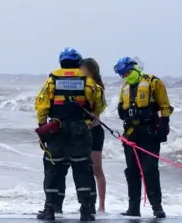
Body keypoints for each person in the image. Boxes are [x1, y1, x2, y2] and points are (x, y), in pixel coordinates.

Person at [34, 48, 103, 222]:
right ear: (78, 62)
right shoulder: (87, 81)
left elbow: (40, 103)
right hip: (80, 128)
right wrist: (90, 115)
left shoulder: (52, 79)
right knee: (82, 169)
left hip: (56, 128)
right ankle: (86, 211)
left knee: (53, 169)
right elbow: (99, 102)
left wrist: (42, 125)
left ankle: (49, 210)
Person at [113, 56, 173, 219]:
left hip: (149, 134)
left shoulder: (154, 82)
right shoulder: (125, 87)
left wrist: (163, 125)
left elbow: (165, 107)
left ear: (133, 68)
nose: (124, 76)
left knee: (150, 170)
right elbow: (121, 109)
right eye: (122, 74)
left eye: (125, 72)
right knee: (131, 171)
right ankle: (133, 208)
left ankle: (157, 208)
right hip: (131, 134)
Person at [80, 58, 108, 214]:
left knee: (97, 169)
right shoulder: (79, 85)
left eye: (83, 68)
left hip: (95, 131)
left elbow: (98, 110)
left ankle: (102, 206)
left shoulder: (97, 88)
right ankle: (86, 202)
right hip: (82, 132)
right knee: (84, 169)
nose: (80, 71)